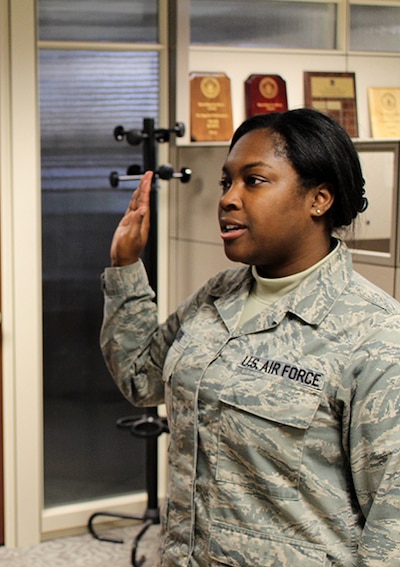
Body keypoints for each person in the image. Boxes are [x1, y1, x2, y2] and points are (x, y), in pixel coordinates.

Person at [101, 108, 400, 566]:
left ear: (319, 199)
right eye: (226, 182)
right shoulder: (219, 295)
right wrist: (125, 268)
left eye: (254, 181)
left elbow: (391, 525)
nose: (228, 199)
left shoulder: (374, 334)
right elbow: (142, 378)